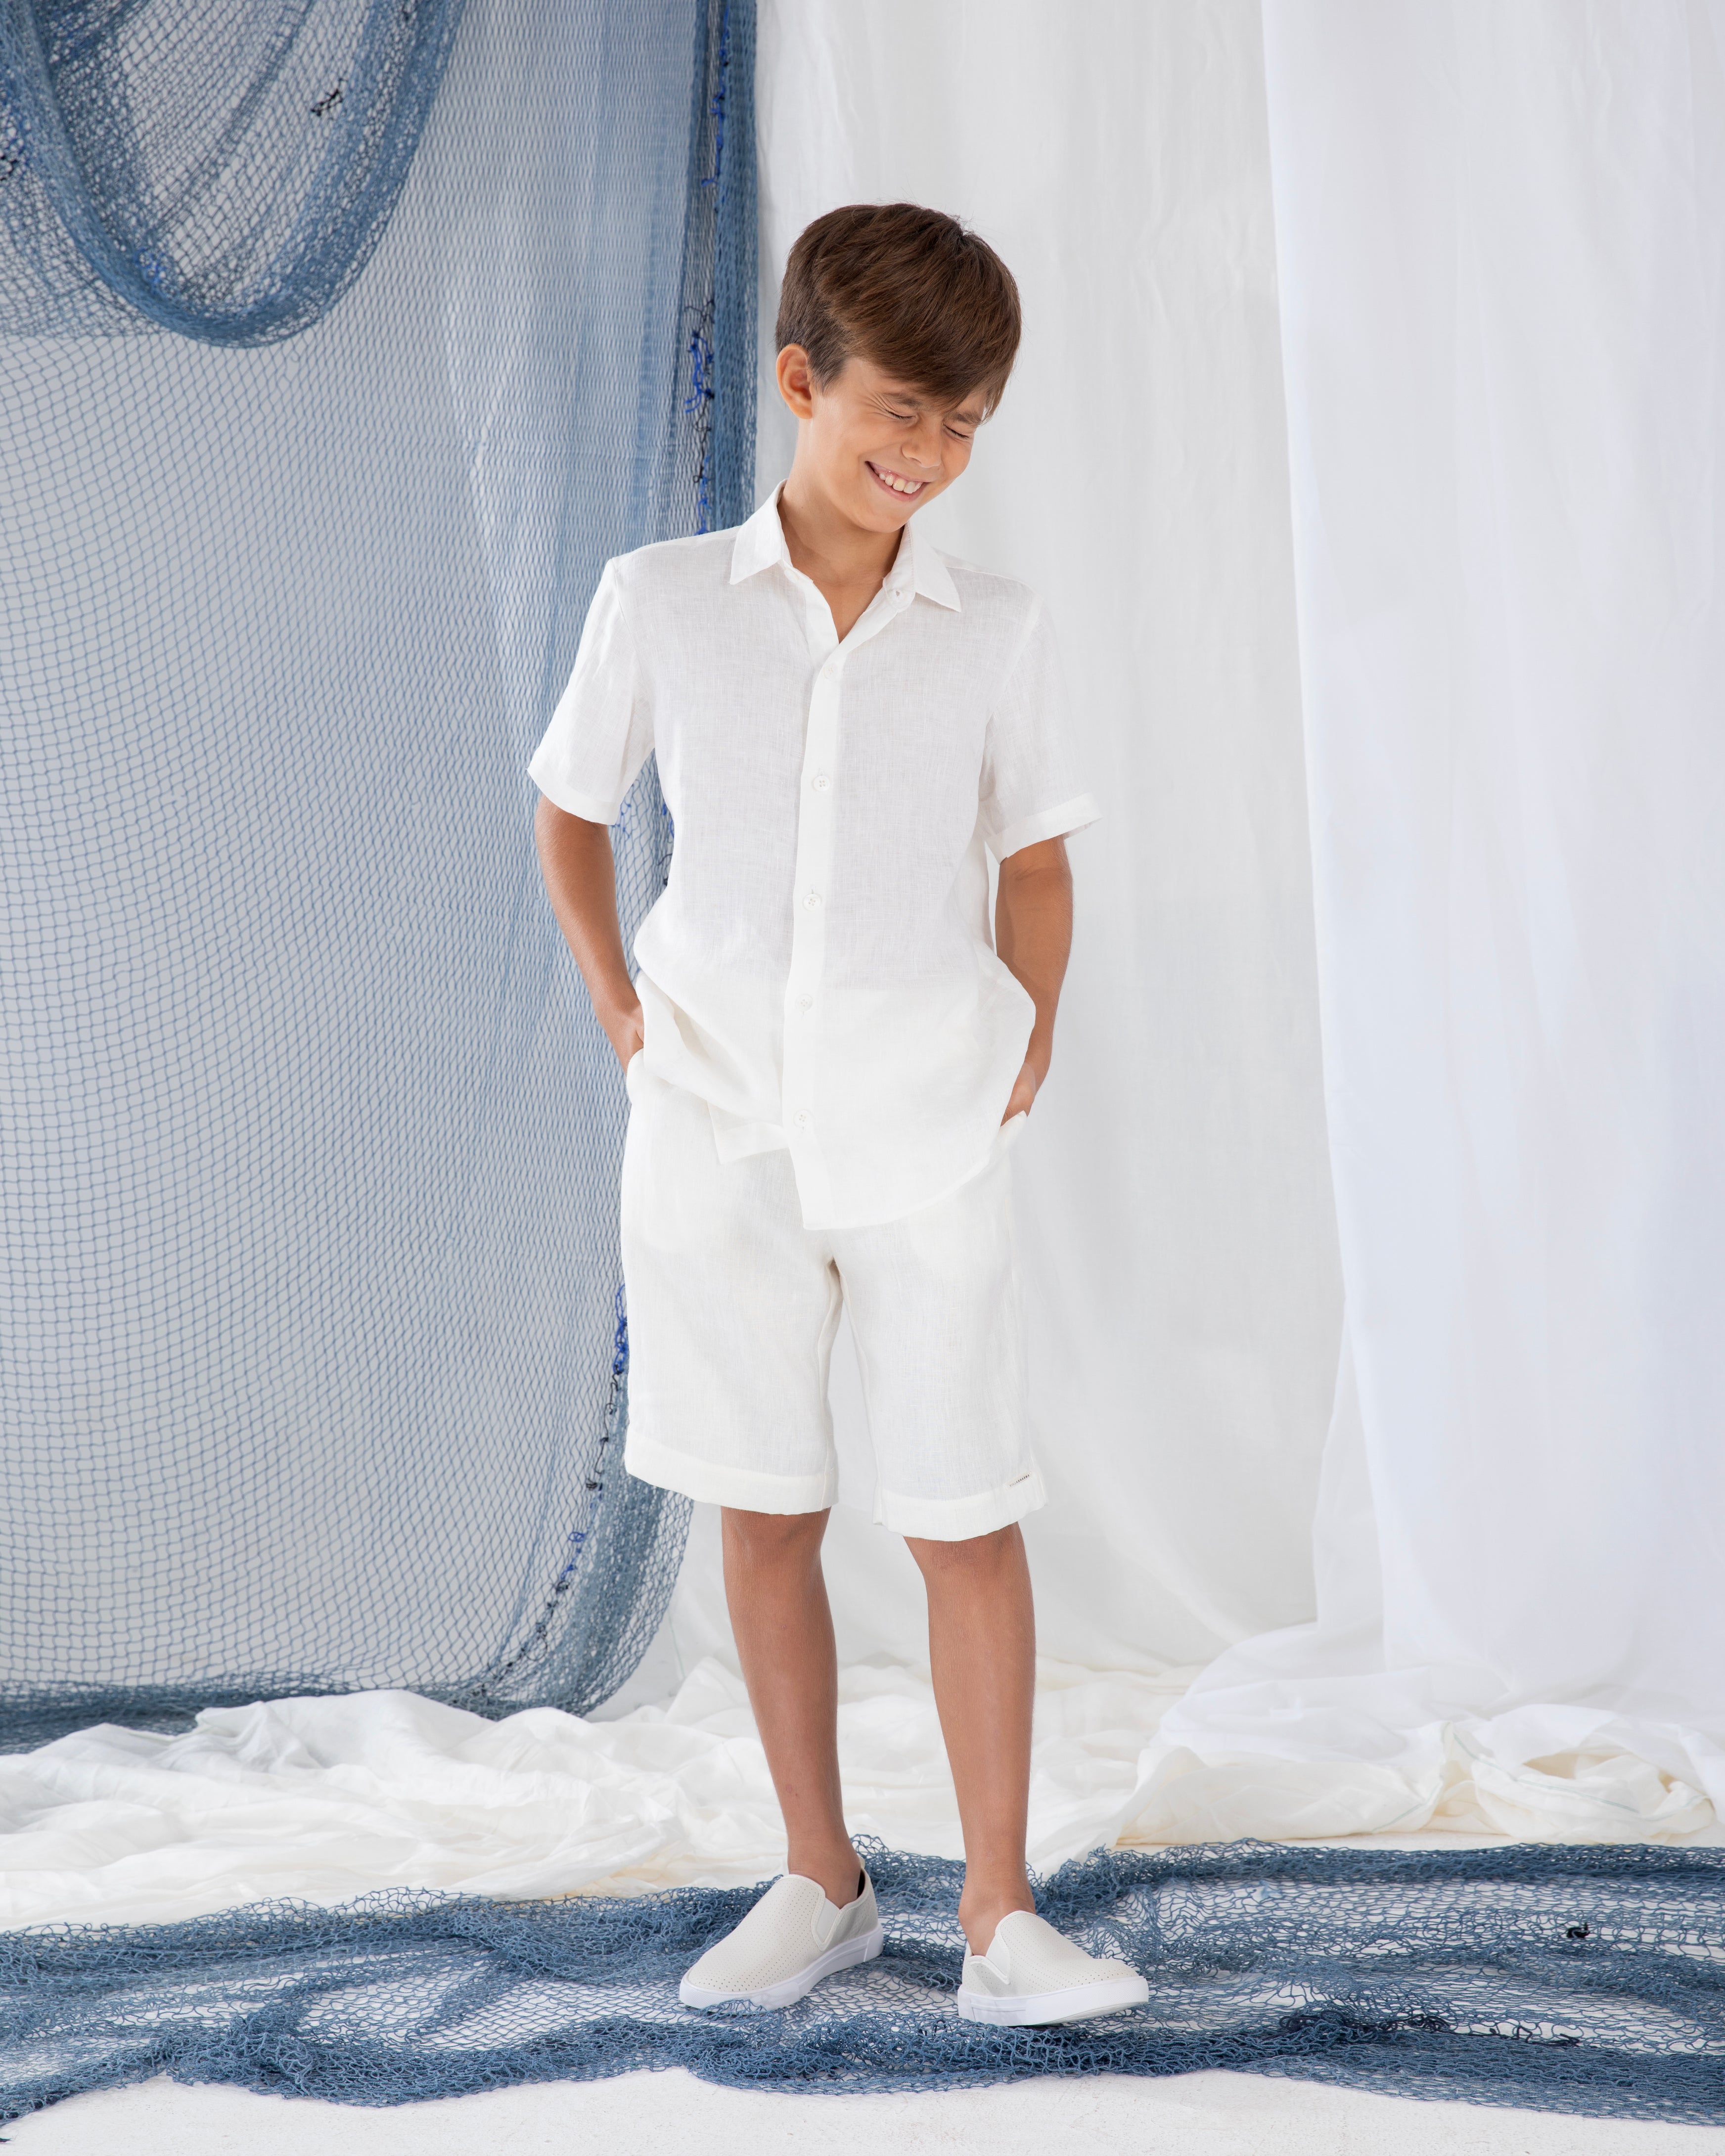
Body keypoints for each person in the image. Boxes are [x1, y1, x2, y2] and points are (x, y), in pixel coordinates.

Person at [531, 203, 1146, 2029]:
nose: (930, 454)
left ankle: (1001, 1912)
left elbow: (1037, 853)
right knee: (767, 1506)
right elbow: (573, 805)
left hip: (924, 1124)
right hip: (715, 1121)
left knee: (964, 1511)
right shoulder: (660, 600)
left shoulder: (994, 629)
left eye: (966, 424)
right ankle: (823, 1877)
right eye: (901, 410)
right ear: (802, 381)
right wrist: (619, 1004)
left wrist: (1034, 1028)